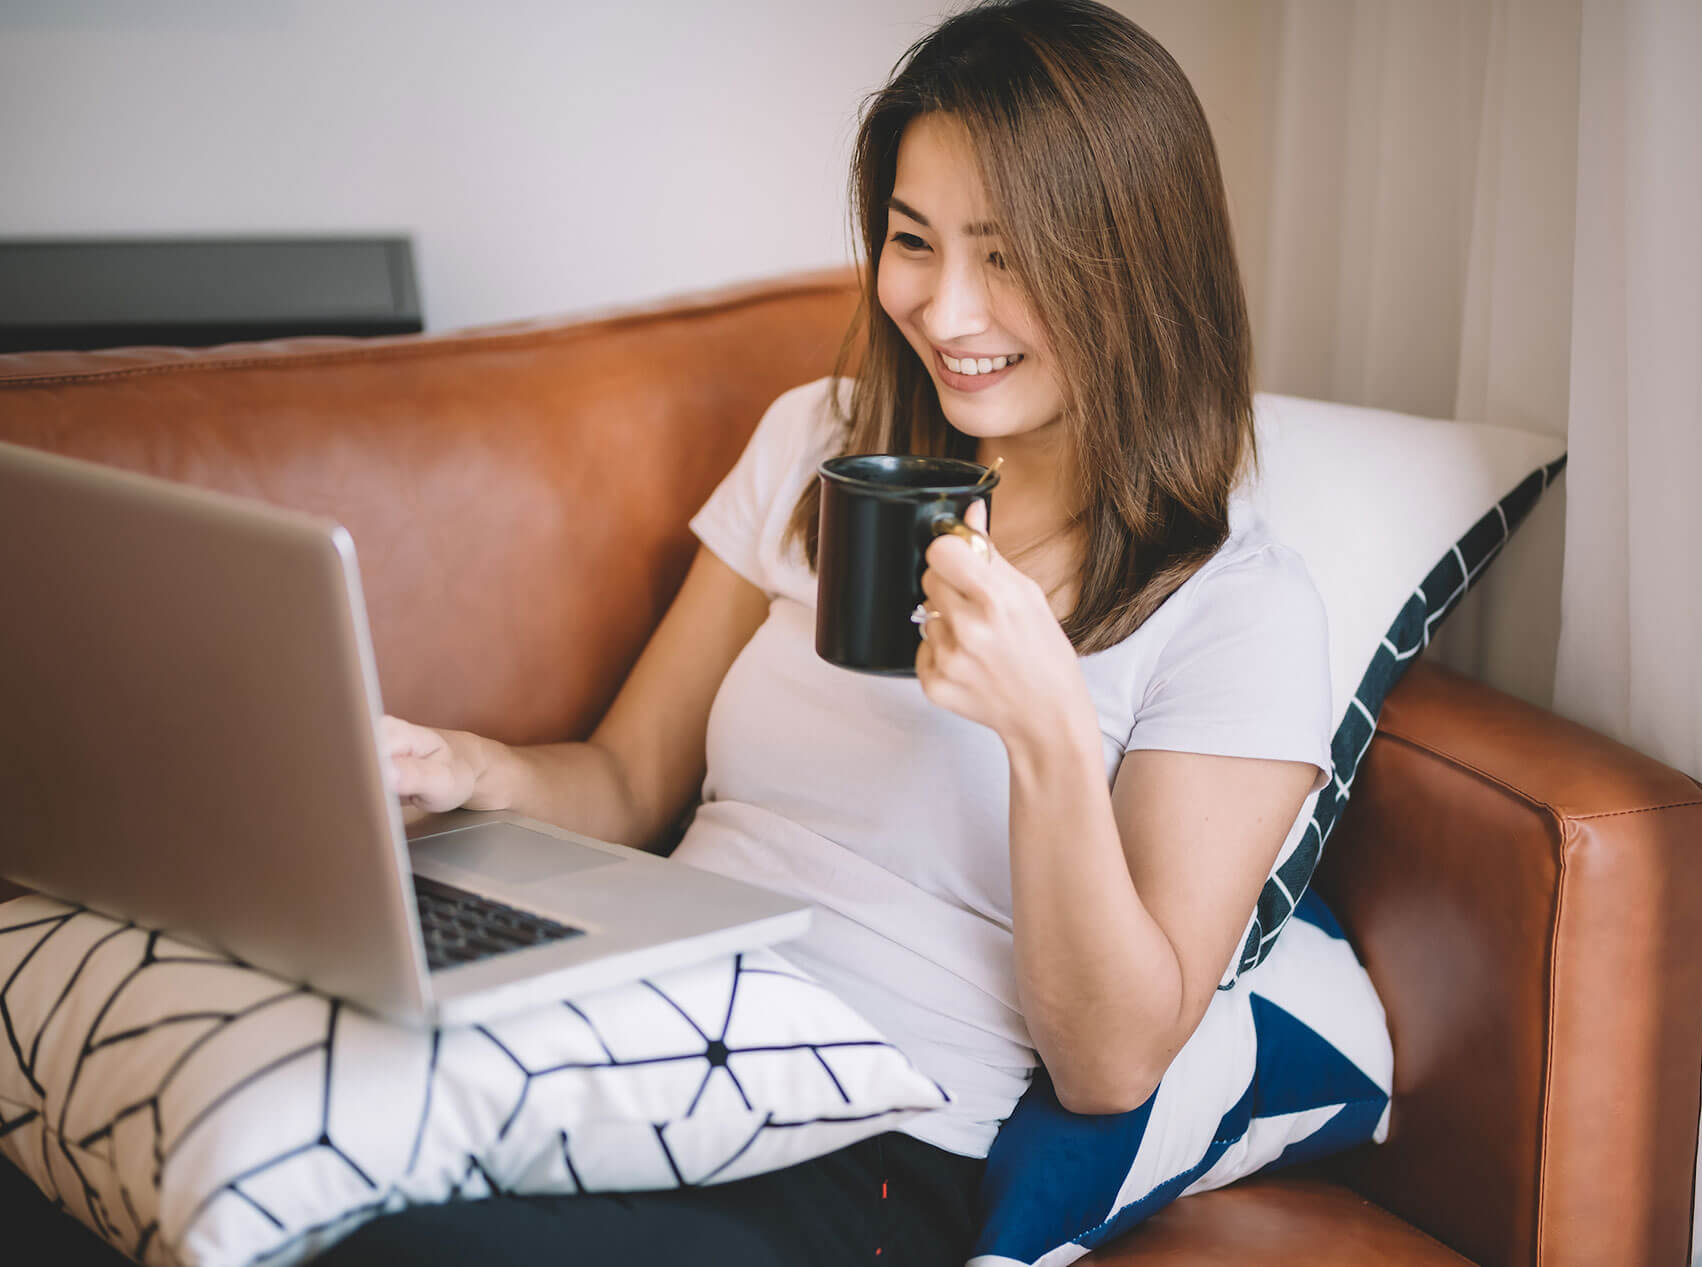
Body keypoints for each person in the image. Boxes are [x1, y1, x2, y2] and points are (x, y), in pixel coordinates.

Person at [329, 1, 1332, 1263]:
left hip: (867, 1141)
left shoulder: (1239, 611)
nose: (949, 311)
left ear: (1134, 264)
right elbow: (632, 780)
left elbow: (1111, 1062)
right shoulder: (820, 439)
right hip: (640, 1023)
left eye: (1011, 257)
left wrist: (1046, 734)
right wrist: (470, 771)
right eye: (914, 242)